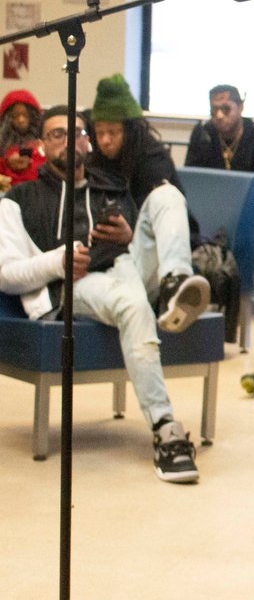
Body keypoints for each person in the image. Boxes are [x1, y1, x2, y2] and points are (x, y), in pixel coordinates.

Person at [0, 106, 212, 482]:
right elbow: (6, 275)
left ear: (88, 143)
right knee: (131, 303)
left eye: (78, 134)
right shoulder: (19, 199)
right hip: (75, 283)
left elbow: (137, 243)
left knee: (166, 195)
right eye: (58, 134)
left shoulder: (112, 186)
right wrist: (58, 262)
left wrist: (130, 236)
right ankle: (165, 430)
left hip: (126, 267)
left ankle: (174, 283)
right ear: (42, 144)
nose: (70, 141)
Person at [88, 73, 201, 247]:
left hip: (162, 245)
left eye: (113, 132)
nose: (105, 141)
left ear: (130, 131)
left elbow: (166, 222)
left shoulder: (154, 162)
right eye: (99, 132)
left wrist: (132, 235)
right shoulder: (94, 161)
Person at [184, 84, 254, 265]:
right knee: (182, 211)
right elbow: (192, 181)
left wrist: (234, 206)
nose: (219, 115)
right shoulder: (203, 134)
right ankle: (194, 271)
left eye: (226, 109)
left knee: (251, 217)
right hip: (215, 205)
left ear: (240, 107)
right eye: (214, 110)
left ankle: (241, 278)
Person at [0, 89, 46, 191]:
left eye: (25, 115)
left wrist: (32, 165)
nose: (21, 120)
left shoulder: (44, 141)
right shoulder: (2, 144)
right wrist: (7, 164)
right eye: (15, 116)